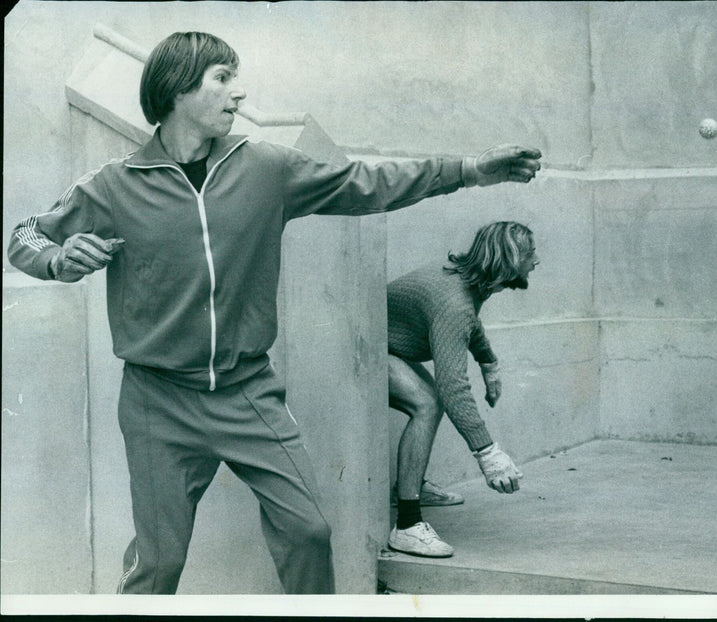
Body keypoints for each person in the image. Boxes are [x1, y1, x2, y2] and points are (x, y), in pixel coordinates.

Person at [7, 31, 541, 594]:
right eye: (222, 78)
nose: (238, 94)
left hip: (248, 392)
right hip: (156, 402)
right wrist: (57, 260)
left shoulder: (262, 167)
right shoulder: (114, 186)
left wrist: (471, 170)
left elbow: (369, 184)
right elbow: (24, 234)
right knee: (158, 565)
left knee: (308, 532)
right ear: (177, 89)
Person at [386, 221, 539, 557]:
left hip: (385, 343)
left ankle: (410, 488)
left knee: (430, 401)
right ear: (508, 260)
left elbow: (472, 322)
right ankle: (408, 525)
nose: (536, 260)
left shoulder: (466, 281)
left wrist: (488, 362)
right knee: (427, 403)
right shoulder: (454, 302)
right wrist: (489, 455)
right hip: (365, 345)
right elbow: (453, 387)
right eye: (530, 254)